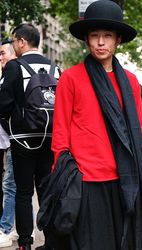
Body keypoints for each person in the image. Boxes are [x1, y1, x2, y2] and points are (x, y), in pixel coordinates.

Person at [51, 1, 142, 250]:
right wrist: (65, 179)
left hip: (124, 180)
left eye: (107, 36)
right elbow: (60, 133)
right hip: (86, 182)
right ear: (86, 39)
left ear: (118, 40)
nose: (100, 42)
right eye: (94, 36)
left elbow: (138, 133)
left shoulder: (130, 81)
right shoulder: (70, 78)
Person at [0, 23, 60, 250]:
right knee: (46, 190)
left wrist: (12, 123)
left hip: (23, 138)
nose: (14, 46)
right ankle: (52, 239)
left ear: (22, 41)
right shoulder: (55, 68)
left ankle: (25, 242)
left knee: (24, 192)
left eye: (14, 41)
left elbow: (3, 104)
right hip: (50, 137)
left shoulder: (15, 67)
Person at [0, 39, 18, 248]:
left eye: (3, 53)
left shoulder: (13, 72)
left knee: (10, 185)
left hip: (15, 138)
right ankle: (23, 226)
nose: (1, 57)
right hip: (11, 138)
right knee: (18, 186)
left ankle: (5, 229)